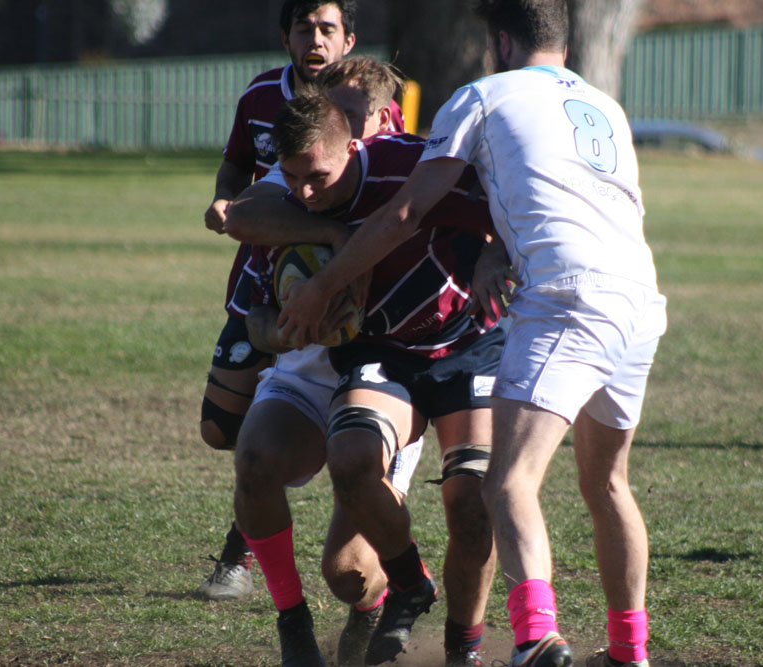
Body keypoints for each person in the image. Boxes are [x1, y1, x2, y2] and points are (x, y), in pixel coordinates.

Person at [273, 1, 668, 666]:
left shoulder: (482, 95)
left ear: (501, 41)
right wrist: (496, 249)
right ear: (564, 43)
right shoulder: (605, 107)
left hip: (566, 294)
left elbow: (405, 211)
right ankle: (629, 651)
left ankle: (535, 636)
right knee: (608, 484)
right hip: (638, 296)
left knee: (507, 482)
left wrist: (320, 286)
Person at [227, 90, 510, 666]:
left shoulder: (410, 168)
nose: (306, 193)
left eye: (318, 178)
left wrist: (496, 251)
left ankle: (463, 650)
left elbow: (509, 201)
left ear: (353, 148)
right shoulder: (289, 211)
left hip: (469, 344)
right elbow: (254, 295)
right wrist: (288, 328)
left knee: (471, 501)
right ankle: (408, 583)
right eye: (292, 178)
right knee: (350, 457)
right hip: (384, 352)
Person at [195, 0, 403, 602]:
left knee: (349, 568)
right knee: (224, 431)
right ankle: (265, 513)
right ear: (285, 36)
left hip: (374, 345)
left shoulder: (393, 148)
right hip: (266, 281)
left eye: (326, 28)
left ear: (348, 40)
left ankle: (254, 551)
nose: (315, 39)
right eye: (303, 28)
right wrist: (322, 235)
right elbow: (240, 181)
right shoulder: (263, 96)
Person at [226, 57, 426, 667]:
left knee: (347, 573)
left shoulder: (409, 174)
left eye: (352, 113)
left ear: (383, 120)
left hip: (385, 381)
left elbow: (484, 205)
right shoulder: (298, 180)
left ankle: (373, 605)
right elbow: (242, 219)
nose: (336, 120)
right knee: (252, 460)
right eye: (330, 107)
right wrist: (286, 325)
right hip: (306, 377)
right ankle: (292, 621)